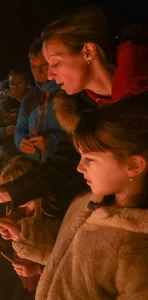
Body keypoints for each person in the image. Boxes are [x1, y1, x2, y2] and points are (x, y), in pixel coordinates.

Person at [0, 6, 148, 216]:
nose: (49, 74)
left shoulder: (138, 94)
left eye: (55, 62)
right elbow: (64, 162)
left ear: (88, 52)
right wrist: (8, 192)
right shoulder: (80, 109)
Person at [36, 92, 148, 299]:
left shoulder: (138, 250)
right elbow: (70, 259)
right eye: (80, 156)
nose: (79, 167)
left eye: (90, 159)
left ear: (134, 165)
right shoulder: (87, 203)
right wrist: (26, 241)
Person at [0, 156, 61, 300]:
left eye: (12, 191)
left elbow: (63, 254)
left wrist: (38, 269)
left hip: (50, 281)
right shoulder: (15, 211)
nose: (11, 198)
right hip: (26, 280)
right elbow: (4, 241)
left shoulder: (50, 211)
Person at [15, 38, 63, 163]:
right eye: (33, 66)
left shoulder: (69, 92)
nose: (38, 71)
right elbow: (20, 127)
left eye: (43, 64)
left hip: (66, 168)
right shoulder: (29, 98)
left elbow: (81, 133)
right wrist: (20, 141)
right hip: (34, 167)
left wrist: (51, 142)